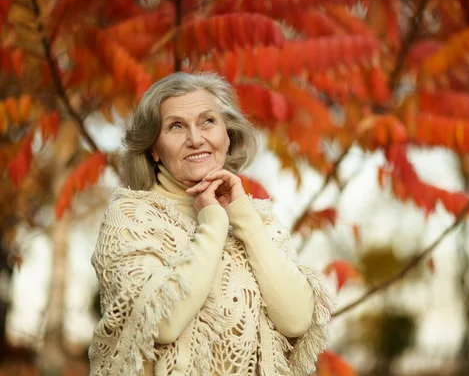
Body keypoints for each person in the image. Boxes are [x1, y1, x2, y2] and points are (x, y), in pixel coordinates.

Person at [88, 72, 334, 376]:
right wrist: (214, 224)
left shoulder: (257, 219)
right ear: (153, 148)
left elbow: (296, 320)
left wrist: (242, 216)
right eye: (176, 126)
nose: (195, 138)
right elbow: (161, 321)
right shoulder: (131, 217)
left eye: (208, 121)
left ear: (227, 133)